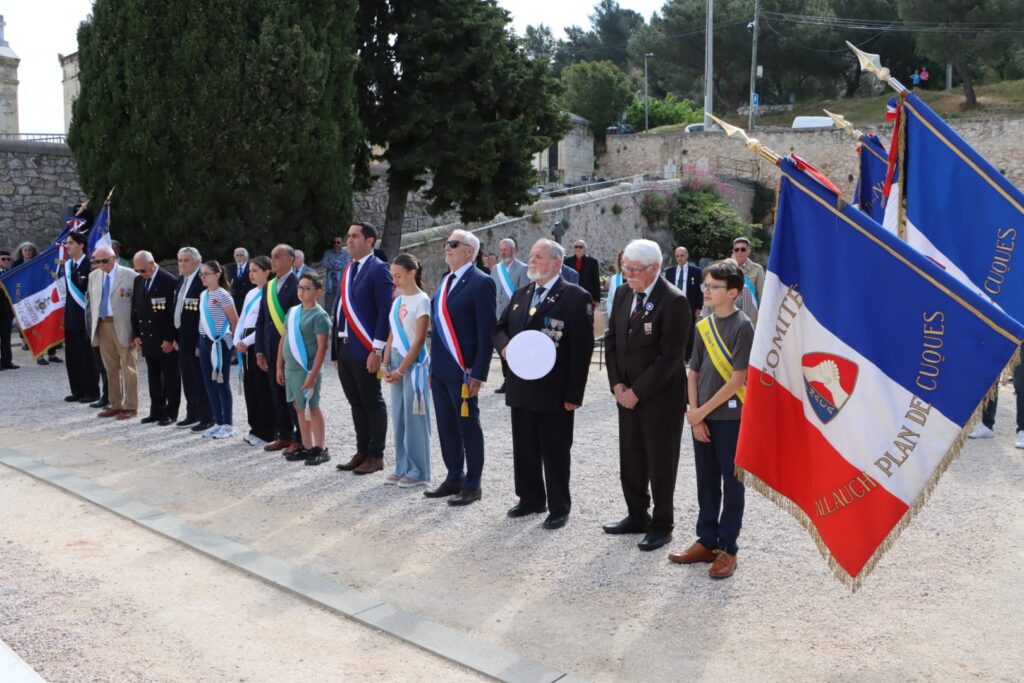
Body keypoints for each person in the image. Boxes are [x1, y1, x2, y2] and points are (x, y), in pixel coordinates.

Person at [492, 238, 594, 530]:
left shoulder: (575, 297)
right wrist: (506, 348)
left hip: (555, 391)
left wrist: (574, 394)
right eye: (532, 255)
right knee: (524, 446)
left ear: (557, 263)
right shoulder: (522, 294)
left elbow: (581, 350)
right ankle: (530, 498)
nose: (532, 261)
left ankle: (558, 507)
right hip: (521, 387)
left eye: (539, 256)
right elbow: (498, 329)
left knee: (555, 450)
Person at [603, 239, 690, 552]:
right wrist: (617, 385)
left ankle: (662, 523)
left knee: (660, 460)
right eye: (624, 267)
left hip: (660, 398)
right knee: (631, 457)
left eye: (634, 269)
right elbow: (611, 340)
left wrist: (637, 392)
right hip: (625, 393)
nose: (627, 274)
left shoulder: (674, 300)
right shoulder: (625, 292)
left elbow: (671, 357)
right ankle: (636, 514)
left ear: (654, 269)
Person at [669, 261, 754, 579]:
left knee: (732, 484)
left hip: (730, 417)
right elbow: (693, 370)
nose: (706, 290)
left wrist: (701, 413)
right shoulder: (703, 322)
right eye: (705, 285)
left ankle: (728, 548)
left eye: (713, 286)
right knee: (706, 481)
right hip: (701, 415)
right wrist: (694, 414)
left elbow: (738, 380)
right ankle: (706, 540)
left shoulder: (742, 325)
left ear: (732, 292)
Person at [425, 229, 497, 506]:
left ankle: (473, 484)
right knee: (446, 426)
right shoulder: (445, 281)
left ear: (470, 251)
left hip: (464, 369)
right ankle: (454, 475)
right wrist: (432, 368)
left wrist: (479, 373)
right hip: (442, 369)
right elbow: (438, 330)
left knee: (468, 426)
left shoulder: (481, 282)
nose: (447, 248)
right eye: (446, 243)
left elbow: (486, 330)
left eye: (453, 244)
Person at [331, 222, 393, 475]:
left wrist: (376, 349)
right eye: (348, 236)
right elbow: (339, 309)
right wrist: (335, 350)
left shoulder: (380, 269)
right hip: (345, 345)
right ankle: (362, 450)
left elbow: (384, 310)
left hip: (366, 347)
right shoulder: (348, 269)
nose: (349, 240)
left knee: (371, 400)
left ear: (370, 241)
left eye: (355, 236)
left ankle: (376, 455)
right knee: (355, 401)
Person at [382, 253, 433, 487]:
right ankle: (402, 466)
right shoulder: (397, 300)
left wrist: (401, 370)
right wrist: (385, 363)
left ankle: (419, 471)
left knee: (415, 417)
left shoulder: (422, 300)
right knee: (400, 417)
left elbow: (420, 339)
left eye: (399, 276)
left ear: (412, 273)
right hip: (395, 362)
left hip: (414, 364)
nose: (395, 281)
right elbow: (392, 333)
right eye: (393, 276)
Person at [277, 273, 332, 465]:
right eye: (300, 287)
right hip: (291, 369)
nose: (302, 291)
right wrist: (279, 366)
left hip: (306, 369)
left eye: (307, 288)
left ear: (318, 291)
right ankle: (306, 446)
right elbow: (284, 338)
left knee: (312, 406)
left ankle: (320, 448)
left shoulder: (320, 315)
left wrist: (313, 374)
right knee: (299, 407)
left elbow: (322, 348)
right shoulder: (292, 311)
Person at [255, 244, 302, 453]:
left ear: (290, 259)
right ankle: (284, 434)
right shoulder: (269, 286)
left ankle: (300, 438)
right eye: (271, 257)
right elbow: (261, 320)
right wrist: (259, 350)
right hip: (270, 348)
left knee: (292, 394)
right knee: (277, 393)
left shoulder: (299, 284)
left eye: (277, 257)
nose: (272, 261)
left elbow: (298, 321)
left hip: (290, 349)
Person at [88, 245, 139, 419]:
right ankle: (115, 403)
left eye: (104, 260)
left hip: (124, 326)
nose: (100, 264)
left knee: (129, 366)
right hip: (103, 325)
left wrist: (136, 331)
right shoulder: (93, 276)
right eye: (96, 261)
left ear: (113, 258)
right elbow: (91, 304)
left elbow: (137, 305)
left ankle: (131, 405)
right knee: (110, 367)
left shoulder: (130, 275)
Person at [131, 251, 181, 426]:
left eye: (143, 270)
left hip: (163, 337)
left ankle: (171, 412)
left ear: (152, 264)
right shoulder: (138, 281)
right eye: (137, 270)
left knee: (170, 377)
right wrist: (136, 334)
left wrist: (169, 338)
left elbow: (171, 313)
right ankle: (156, 410)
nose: (140, 274)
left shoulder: (168, 281)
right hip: (148, 337)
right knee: (153, 376)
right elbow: (136, 309)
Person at [233, 255, 276, 447]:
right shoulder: (251, 293)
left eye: (255, 271)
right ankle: (255, 426)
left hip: (258, 342)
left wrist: (248, 341)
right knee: (250, 387)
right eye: (249, 271)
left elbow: (266, 323)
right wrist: (237, 339)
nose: (251, 275)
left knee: (262, 387)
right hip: (244, 341)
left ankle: (267, 430)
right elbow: (242, 319)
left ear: (267, 272)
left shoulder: (271, 291)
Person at [174, 247, 215, 433]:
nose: (182, 264)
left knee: (201, 379)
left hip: (197, 339)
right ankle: (192, 413)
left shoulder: (202, 282)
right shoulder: (181, 280)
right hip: (182, 338)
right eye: (180, 260)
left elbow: (206, 315)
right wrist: (174, 337)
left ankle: (208, 417)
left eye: (186, 260)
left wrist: (201, 342)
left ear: (197, 263)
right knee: (188, 379)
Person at [197, 260, 239, 439]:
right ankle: (218, 421)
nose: (203, 277)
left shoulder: (223, 295)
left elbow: (235, 321)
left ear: (217, 275)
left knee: (222, 383)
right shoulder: (203, 294)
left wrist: (235, 345)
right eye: (201, 274)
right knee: (209, 382)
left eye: (206, 273)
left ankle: (228, 423)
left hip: (221, 342)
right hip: (205, 341)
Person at [60, 232, 100, 401]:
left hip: (85, 318)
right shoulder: (68, 266)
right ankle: (77, 390)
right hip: (71, 317)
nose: (67, 246)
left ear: (81, 245)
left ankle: (91, 391)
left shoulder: (90, 265)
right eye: (67, 243)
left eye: (70, 243)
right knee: (73, 356)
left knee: (87, 356)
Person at [491, 237, 531, 395]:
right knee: (502, 348)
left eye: (505, 249)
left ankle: (516, 379)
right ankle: (507, 379)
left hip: (514, 315)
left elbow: (525, 292)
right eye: (501, 250)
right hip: (498, 315)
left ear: (513, 250)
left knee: (515, 348)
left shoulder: (523, 268)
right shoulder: (496, 269)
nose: (502, 252)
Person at [14, 241, 62, 365]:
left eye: (29, 250)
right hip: (25, 300)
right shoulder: (16, 265)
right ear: (21, 252)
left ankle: (52, 354)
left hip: (40, 297)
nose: (27, 252)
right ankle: (40, 356)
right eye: (25, 250)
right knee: (36, 328)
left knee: (49, 324)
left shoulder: (38, 262)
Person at [969, 346, 1024, 449]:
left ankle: (1023, 430)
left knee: (1021, 384)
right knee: (989, 379)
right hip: (1002, 332)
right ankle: (987, 425)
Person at [663, 246, 703, 360]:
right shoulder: (670, 271)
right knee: (673, 329)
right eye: (677, 256)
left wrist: (699, 307)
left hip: (690, 305)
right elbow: (667, 290)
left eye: (682, 255)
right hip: (673, 306)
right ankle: (675, 354)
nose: (679, 258)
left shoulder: (696, 271)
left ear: (687, 256)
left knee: (689, 331)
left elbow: (700, 291)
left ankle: (688, 356)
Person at [321, 235, 351, 309]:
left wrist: (332, 263)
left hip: (341, 283)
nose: (336, 244)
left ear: (342, 243)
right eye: (334, 242)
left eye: (338, 242)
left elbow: (345, 265)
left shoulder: (346, 254)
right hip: (330, 284)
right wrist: (337, 264)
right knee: (328, 306)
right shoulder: (328, 252)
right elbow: (324, 263)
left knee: (340, 306)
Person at [0, 249, 17, 370]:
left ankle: (7, 361)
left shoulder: (11, 273)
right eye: (3, 259)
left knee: (6, 338)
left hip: (7, 312)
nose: (6, 261)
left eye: (8, 259)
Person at [227, 247, 255, 313]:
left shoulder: (251, 267)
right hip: (234, 303)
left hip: (248, 301)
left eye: (241, 255)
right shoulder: (229, 268)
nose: (239, 258)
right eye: (237, 255)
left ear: (246, 257)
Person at [605, 251, 625, 316]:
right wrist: (612, 317)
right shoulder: (614, 279)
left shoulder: (636, 278)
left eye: (625, 258)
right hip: (618, 317)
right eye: (621, 259)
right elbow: (610, 300)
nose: (623, 260)